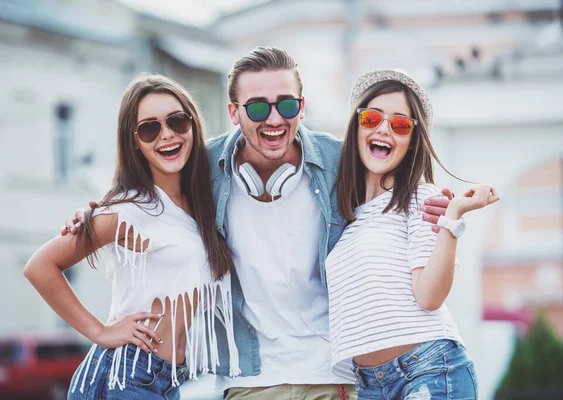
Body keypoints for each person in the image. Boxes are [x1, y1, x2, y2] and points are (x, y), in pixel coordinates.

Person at [63, 48, 452, 400]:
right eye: (257, 108)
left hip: (335, 375)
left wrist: (436, 201)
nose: (274, 119)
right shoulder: (201, 167)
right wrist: (97, 215)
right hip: (251, 381)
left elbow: (392, 173)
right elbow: (147, 188)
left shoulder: (340, 161)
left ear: (301, 106)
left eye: (285, 104)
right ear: (234, 113)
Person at [25, 74, 239, 400]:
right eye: (149, 128)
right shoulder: (130, 210)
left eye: (177, 121)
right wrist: (100, 331)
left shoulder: (199, 204)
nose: (166, 135)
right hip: (127, 373)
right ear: (134, 141)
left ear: (192, 125)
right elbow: (40, 266)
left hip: (165, 378)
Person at [325, 69, 499, 400]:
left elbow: (430, 297)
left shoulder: (419, 199)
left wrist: (452, 217)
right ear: (356, 125)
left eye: (400, 124)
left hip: (428, 371)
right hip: (369, 385)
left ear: (411, 139)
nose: (384, 129)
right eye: (372, 117)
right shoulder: (344, 217)